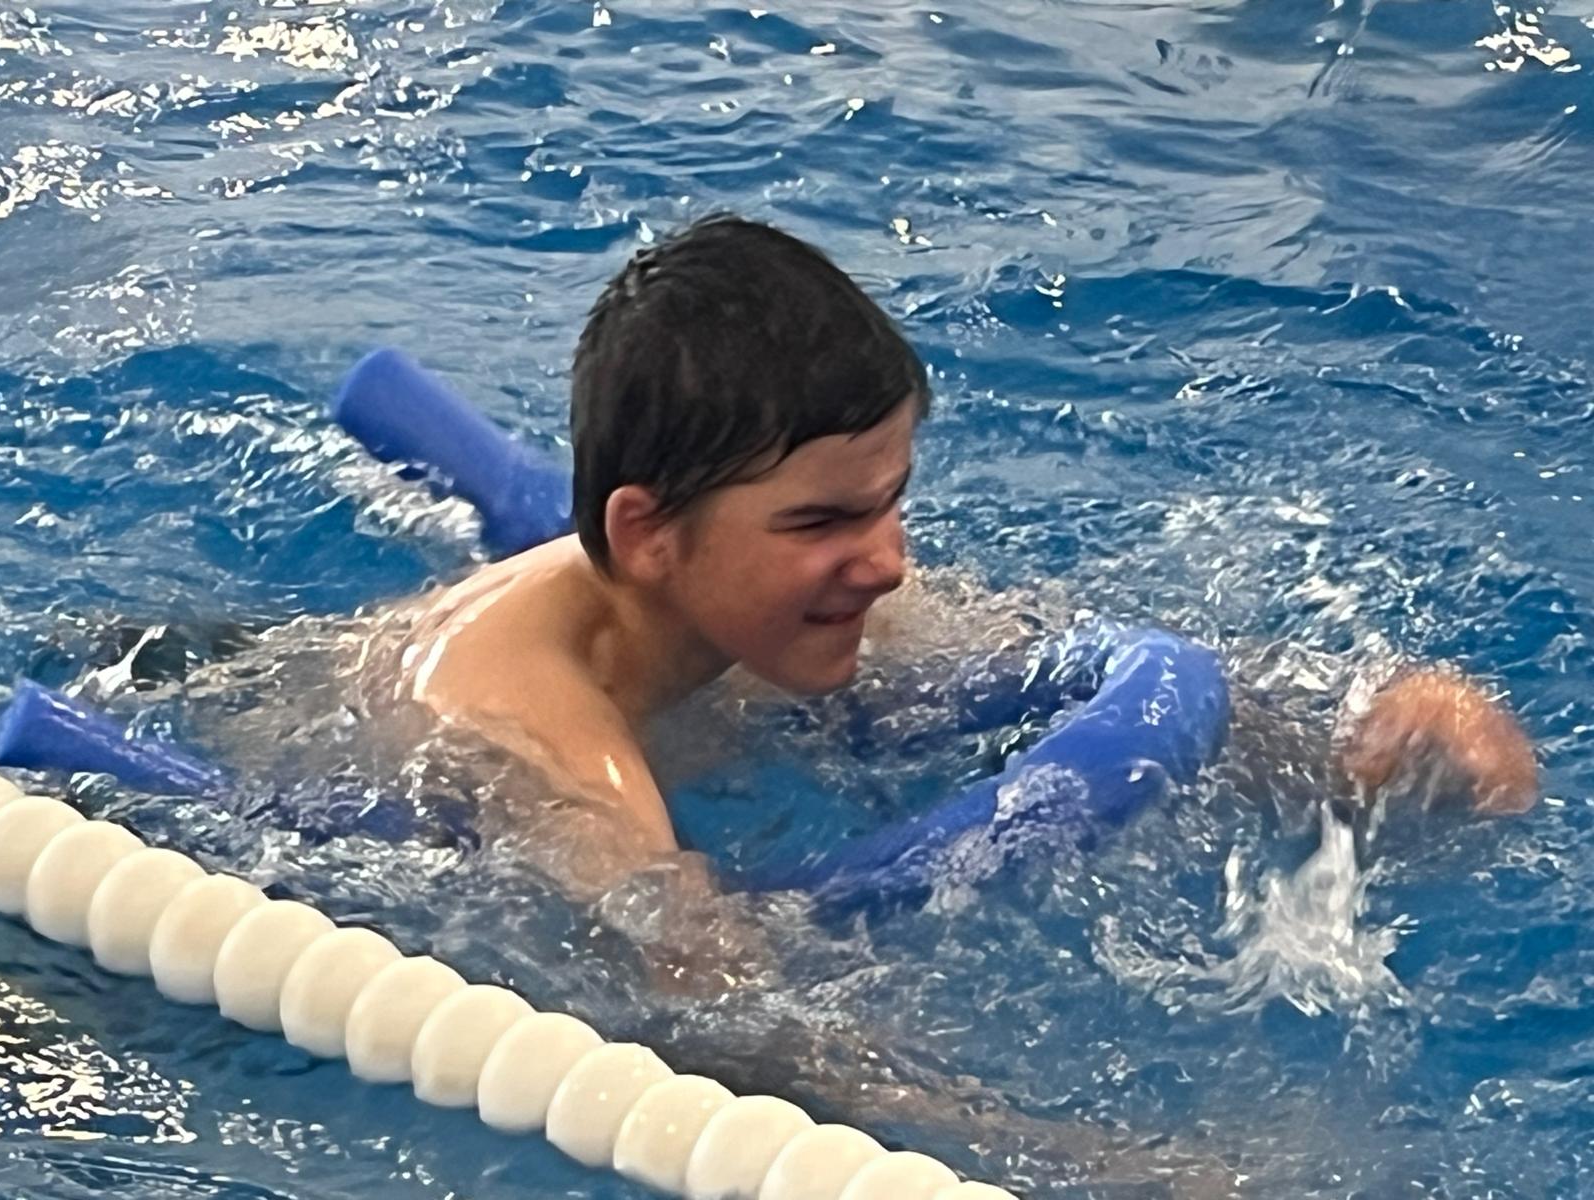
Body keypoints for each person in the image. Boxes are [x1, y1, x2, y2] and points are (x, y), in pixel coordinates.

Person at [392, 213, 1537, 907]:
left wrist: (1381, 735)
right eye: (822, 523)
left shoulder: (789, 600)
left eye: (890, 503)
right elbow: (697, 1001)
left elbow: (1113, 689)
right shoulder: (522, 728)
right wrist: (1092, 1161)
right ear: (650, 537)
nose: (887, 563)